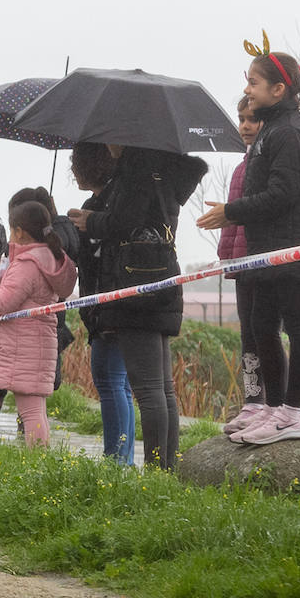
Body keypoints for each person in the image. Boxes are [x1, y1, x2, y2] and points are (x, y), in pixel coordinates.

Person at [197, 44, 300, 445]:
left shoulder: (289, 132)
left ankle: (292, 412)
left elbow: (282, 194)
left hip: (293, 249)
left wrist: (231, 212)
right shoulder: (273, 128)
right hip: (268, 251)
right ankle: (271, 407)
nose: (247, 90)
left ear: (278, 89)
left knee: (298, 329)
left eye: (253, 82)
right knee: (261, 326)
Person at [69, 145, 208, 470]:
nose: (108, 147)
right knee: (162, 389)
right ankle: (167, 468)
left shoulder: (136, 171)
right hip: (160, 282)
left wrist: (92, 220)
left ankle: (158, 470)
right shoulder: (163, 170)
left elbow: (125, 221)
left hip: (135, 288)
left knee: (148, 390)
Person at [0, 200, 78, 448]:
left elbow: (2, 303)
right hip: (38, 341)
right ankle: (40, 460)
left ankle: (37, 465)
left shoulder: (26, 264)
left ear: (19, 232)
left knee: (31, 410)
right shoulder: (50, 258)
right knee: (36, 408)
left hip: (24, 346)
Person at [70, 142, 135, 466]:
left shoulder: (112, 204)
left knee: (109, 380)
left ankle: (116, 460)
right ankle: (124, 459)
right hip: (101, 304)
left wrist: (89, 224)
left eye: (76, 162)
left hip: (111, 304)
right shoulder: (92, 203)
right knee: (120, 383)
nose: (72, 169)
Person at [217, 98, 266, 434]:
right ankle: (251, 402)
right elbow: (230, 220)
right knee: (247, 337)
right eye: (242, 119)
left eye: (253, 119)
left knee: (265, 335)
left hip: (263, 262)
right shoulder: (239, 169)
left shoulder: (264, 165)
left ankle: (269, 403)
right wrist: (227, 256)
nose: (246, 126)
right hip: (242, 265)